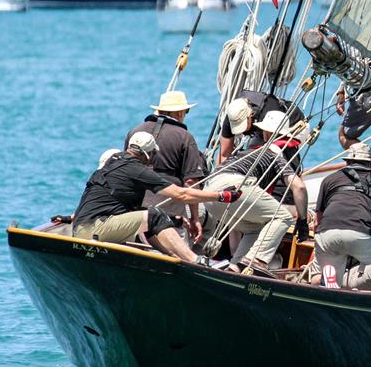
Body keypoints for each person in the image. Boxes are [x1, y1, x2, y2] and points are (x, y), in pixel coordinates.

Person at [72, 132, 238, 263]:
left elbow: (99, 201)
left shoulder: (113, 163)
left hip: (82, 227)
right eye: (153, 154)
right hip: (94, 230)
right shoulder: (137, 169)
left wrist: (172, 219)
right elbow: (182, 194)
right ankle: (195, 261)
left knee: (151, 219)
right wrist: (221, 196)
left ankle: (175, 260)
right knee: (154, 215)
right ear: (147, 154)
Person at [205, 111, 309, 272]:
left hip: (210, 196)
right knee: (283, 216)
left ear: (266, 133)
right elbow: (299, 186)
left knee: (256, 228)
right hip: (234, 184)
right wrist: (302, 221)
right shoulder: (274, 155)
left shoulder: (245, 153)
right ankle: (258, 260)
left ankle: (236, 265)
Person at [311, 143, 371, 292]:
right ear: (370, 164)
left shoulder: (330, 179)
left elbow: (319, 217)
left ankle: (328, 280)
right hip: (359, 234)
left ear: (348, 162)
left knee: (331, 271)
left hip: (327, 235)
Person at [125, 90, 207, 244]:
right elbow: (191, 183)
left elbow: (124, 169)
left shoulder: (135, 131)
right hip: (168, 213)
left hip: (134, 209)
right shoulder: (185, 137)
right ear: (179, 113)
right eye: (186, 111)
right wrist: (195, 218)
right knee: (179, 251)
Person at [218, 91, 304, 164]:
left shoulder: (268, 114)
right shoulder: (233, 115)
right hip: (261, 132)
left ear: (250, 116)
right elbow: (224, 154)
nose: (242, 131)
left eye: (243, 125)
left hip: (292, 127)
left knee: (268, 157)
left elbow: (274, 152)